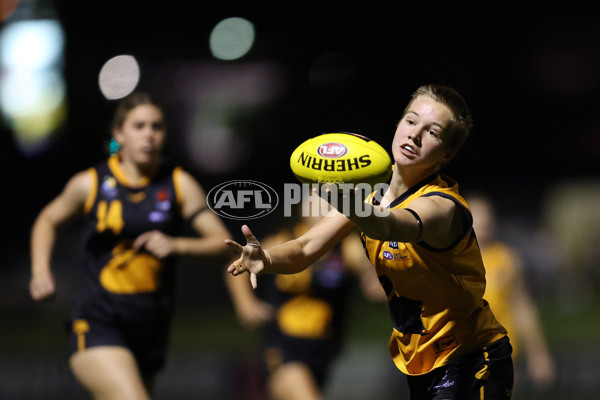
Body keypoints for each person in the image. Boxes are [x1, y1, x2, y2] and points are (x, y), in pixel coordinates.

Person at [226, 84, 514, 399]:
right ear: (398, 124)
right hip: (424, 361)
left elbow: (388, 225)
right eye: (411, 121)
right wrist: (266, 259)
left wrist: (344, 192)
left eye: (432, 132)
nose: (415, 134)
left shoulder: (442, 206)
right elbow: (306, 247)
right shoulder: (371, 191)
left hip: (472, 359)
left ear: (447, 154)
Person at [29, 92, 232, 400]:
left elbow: (224, 243)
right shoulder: (92, 183)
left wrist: (177, 245)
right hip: (97, 321)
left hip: (150, 327)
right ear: (119, 134)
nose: (149, 134)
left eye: (156, 126)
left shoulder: (179, 184)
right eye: (139, 126)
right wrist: (40, 270)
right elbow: (47, 220)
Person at [224, 194, 385, 400]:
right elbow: (237, 268)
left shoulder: (347, 249)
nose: (321, 215)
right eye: (315, 207)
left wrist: (376, 283)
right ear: (302, 209)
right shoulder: (282, 242)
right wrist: (246, 305)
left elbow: (374, 282)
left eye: (328, 208)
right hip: (283, 348)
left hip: (322, 350)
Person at [468, 192, 556, 392]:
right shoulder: (449, 262)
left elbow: (522, 307)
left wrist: (538, 354)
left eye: (486, 222)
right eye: (475, 220)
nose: (481, 228)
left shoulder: (506, 260)